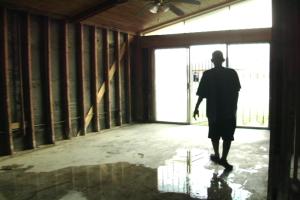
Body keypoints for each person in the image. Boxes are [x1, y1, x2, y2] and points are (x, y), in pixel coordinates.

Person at [193, 50, 241, 171]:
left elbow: (202, 94)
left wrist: (196, 108)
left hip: (214, 111)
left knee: (215, 134)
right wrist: (233, 108)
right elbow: (236, 92)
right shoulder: (231, 73)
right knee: (227, 136)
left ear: (212, 60)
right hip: (228, 111)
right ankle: (223, 158)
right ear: (222, 60)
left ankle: (217, 155)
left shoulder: (208, 74)